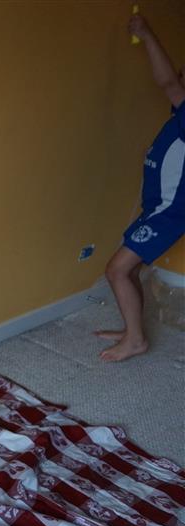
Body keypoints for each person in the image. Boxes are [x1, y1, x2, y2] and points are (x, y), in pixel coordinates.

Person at [98, 11, 185, 362]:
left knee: (116, 269)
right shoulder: (178, 118)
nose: (180, 78)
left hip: (169, 213)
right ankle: (132, 330)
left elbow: (167, 83)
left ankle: (136, 341)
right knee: (129, 270)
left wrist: (146, 34)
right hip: (158, 209)